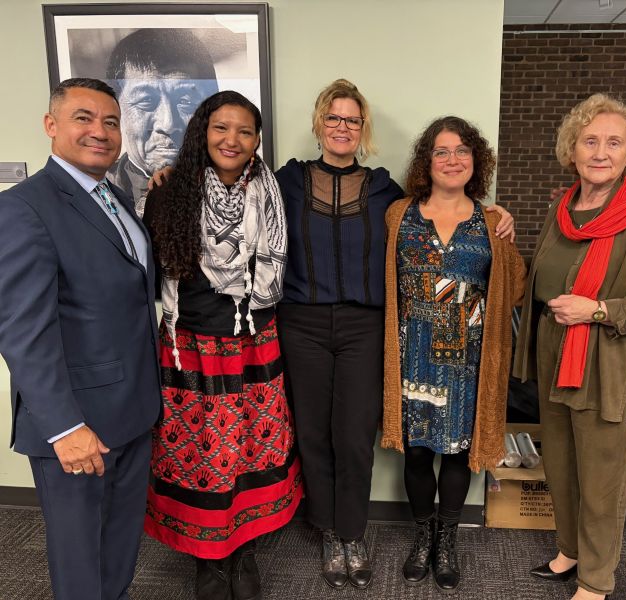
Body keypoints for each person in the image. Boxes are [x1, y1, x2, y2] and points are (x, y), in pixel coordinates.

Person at [273, 79, 515, 590]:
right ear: (319, 123)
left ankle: (354, 533)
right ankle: (328, 533)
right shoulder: (286, 182)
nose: (342, 127)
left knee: (355, 435)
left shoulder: (385, 192)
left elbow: (495, 264)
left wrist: (500, 217)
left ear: (364, 128)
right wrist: (172, 174)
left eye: (352, 119)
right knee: (313, 433)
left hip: (369, 327)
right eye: (333, 117)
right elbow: (236, 186)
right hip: (305, 323)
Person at [513, 93, 626, 600]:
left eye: (614, 143)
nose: (600, 152)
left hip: (608, 364)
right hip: (555, 356)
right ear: (572, 150)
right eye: (590, 141)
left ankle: (596, 581)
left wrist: (599, 310)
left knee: (603, 480)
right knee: (561, 466)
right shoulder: (561, 210)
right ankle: (569, 551)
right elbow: (542, 276)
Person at [0, 78, 161, 600]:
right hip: (77, 423)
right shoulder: (23, 208)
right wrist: (65, 428)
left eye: (111, 122)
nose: (100, 131)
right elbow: (24, 332)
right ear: (51, 125)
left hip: (131, 410)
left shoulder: (115, 197)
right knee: (80, 562)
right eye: (83, 118)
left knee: (118, 547)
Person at [142, 90, 299, 600]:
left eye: (245, 131)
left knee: (251, 450)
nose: (232, 139)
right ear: (202, 132)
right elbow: (152, 272)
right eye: (221, 128)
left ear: (257, 140)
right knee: (200, 456)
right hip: (191, 345)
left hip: (254, 341)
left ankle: (244, 548)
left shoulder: (272, 191)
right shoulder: (169, 192)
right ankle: (207, 558)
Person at [382, 116, 526, 594]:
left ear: (475, 161)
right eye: (441, 151)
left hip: (469, 362)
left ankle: (447, 541)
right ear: (427, 162)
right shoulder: (399, 214)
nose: (452, 159)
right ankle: (422, 537)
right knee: (418, 452)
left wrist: (508, 233)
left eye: (462, 150)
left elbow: (515, 287)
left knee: (459, 454)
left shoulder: (492, 221)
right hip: (413, 355)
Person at [106, 28, 219, 214]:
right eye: (146, 101)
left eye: (185, 101)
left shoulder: (242, 192)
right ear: (116, 111)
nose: (168, 123)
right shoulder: (93, 195)